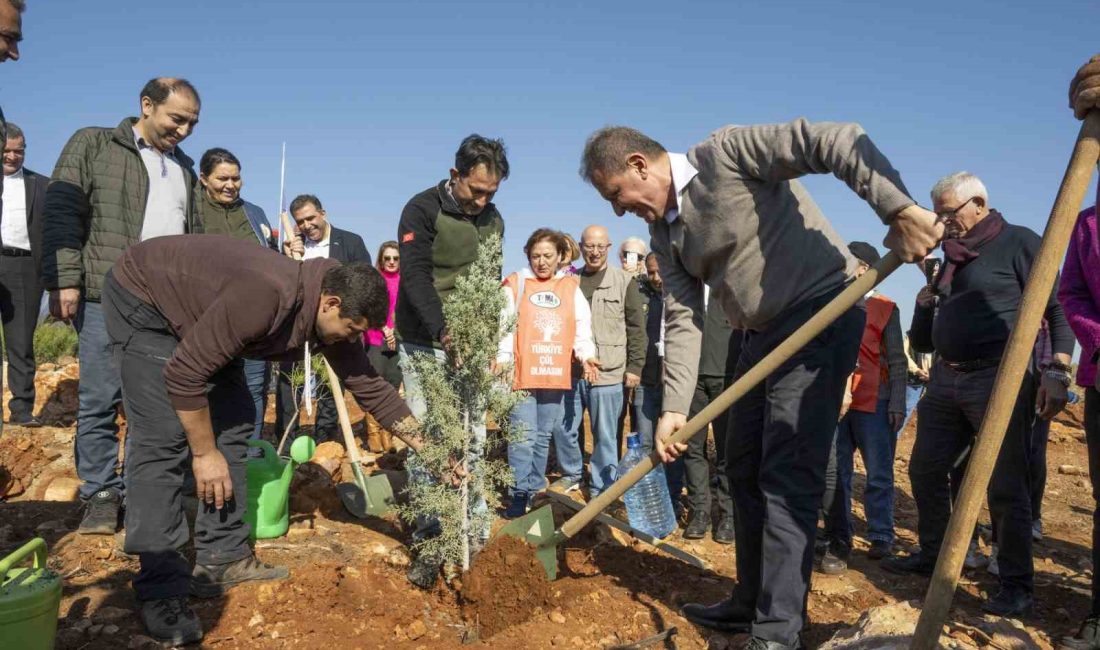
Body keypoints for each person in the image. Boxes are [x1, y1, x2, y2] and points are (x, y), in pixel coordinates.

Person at [580, 121, 941, 648]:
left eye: (617, 194)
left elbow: (835, 141)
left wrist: (899, 208)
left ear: (639, 165)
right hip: (755, 338)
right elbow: (682, 318)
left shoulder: (724, 154)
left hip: (820, 315)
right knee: (740, 466)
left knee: (787, 475)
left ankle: (777, 631)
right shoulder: (666, 233)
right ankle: (749, 602)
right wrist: (675, 408)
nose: (618, 210)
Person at [102, 234, 451, 644]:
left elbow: (371, 387)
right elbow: (184, 374)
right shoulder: (266, 297)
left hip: (206, 312)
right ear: (332, 303)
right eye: (350, 329)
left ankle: (224, 556)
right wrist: (204, 453)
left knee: (235, 421)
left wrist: (432, 451)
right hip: (147, 299)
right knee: (162, 440)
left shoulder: (328, 315)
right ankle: (160, 588)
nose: (348, 339)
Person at [883, 172, 1074, 618]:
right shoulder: (948, 258)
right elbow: (926, 343)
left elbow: (1057, 308)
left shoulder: (1021, 243)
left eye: (950, 212)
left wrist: (1058, 371)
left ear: (979, 204)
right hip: (947, 380)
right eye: (939, 214)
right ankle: (934, 557)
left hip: (1000, 378)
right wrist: (925, 302)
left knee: (1005, 484)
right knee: (925, 470)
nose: (944, 222)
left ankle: (1015, 584)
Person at [42, 77, 203, 535]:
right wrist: (64, 280)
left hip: (164, 307)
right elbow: (61, 212)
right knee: (100, 397)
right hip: (104, 295)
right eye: (177, 119)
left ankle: (142, 493)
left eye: (192, 122)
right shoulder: (94, 144)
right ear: (147, 105)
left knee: (152, 404)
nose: (185, 130)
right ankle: (100, 493)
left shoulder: (185, 168)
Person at [395, 134, 507, 589]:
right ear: (455, 174)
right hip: (423, 340)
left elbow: (490, 280)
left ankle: (474, 537)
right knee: (429, 441)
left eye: (491, 194)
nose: (482, 201)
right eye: (475, 190)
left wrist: (482, 339)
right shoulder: (421, 209)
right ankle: (428, 539)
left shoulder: (494, 219)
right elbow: (415, 275)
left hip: (471, 346)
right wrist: (444, 331)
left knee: (473, 439)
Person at [818, 241, 907, 575]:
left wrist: (897, 401)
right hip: (837, 402)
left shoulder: (886, 308)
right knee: (836, 471)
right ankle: (839, 534)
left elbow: (896, 360)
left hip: (875, 401)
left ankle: (882, 534)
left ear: (867, 269)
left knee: (879, 473)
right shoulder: (834, 303)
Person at [498, 228, 599, 518]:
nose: (541, 261)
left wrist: (587, 354)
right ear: (527, 256)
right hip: (521, 375)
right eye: (535, 256)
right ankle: (518, 493)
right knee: (522, 436)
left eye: (547, 256)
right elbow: (503, 327)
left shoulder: (569, 287)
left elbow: (581, 325)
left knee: (542, 436)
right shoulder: (516, 284)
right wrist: (503, 358)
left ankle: (533, 489)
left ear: (559, 257)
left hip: (554, 373)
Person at [274, 193, 371, 444]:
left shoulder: (350, 242)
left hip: (333, 331)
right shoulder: (293, 247)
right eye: (301, 222)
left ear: (323, 214)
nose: (307, 226)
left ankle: (325, 443)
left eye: (310, 218)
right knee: (289, 389)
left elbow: (364, 284)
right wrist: (286, 258)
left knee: (331, 389)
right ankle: (286, 444)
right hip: (297, 330)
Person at [559, 225, 646, 499]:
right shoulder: (569, 281)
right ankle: (572, 474)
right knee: (563, 429)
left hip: (608, 372)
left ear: (608, 248)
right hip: (572, 372)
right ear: (581, 248)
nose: (594, 252)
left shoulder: (624, 281)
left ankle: (602, 488)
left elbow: (636, 328)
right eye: (589, 246)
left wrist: (634, 367)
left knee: (606, 435)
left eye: (600, 246)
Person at [196, 147, 275, 440]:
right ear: (203, 179)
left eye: (236, 178)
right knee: (204, 386)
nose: (231, 185)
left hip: (252, 320)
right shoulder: (191, 208)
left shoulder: (254, 213)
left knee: (253, 388)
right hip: (204, 318)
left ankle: (248, 455)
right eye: (222, 179)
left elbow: (271, 260)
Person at [668, 289, 739, 544]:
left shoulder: (731, 288)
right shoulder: (686, 291)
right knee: (692, 448)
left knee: (727, 452)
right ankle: (700, 511)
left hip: (727, 380)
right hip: (692, 381)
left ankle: (728, 514)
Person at [2, 122, 47, 427]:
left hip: (25, 267)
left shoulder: (44, 185)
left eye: (20, 150)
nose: (14, 156)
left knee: (20, 341)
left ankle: (21, 411)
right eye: (7, 150)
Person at [364, 240, 402, 453]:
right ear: (381, 259)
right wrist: (383, 327)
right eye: (387, 258)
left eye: (395, 258)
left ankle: (387, 433)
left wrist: (395, 330)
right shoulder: (374, 280)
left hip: (398, 342)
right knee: (374, 386)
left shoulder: (405, 281)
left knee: (393, 388)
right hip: (375, 339)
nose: (391, 262)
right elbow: (367, 308)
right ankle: (372, 433)